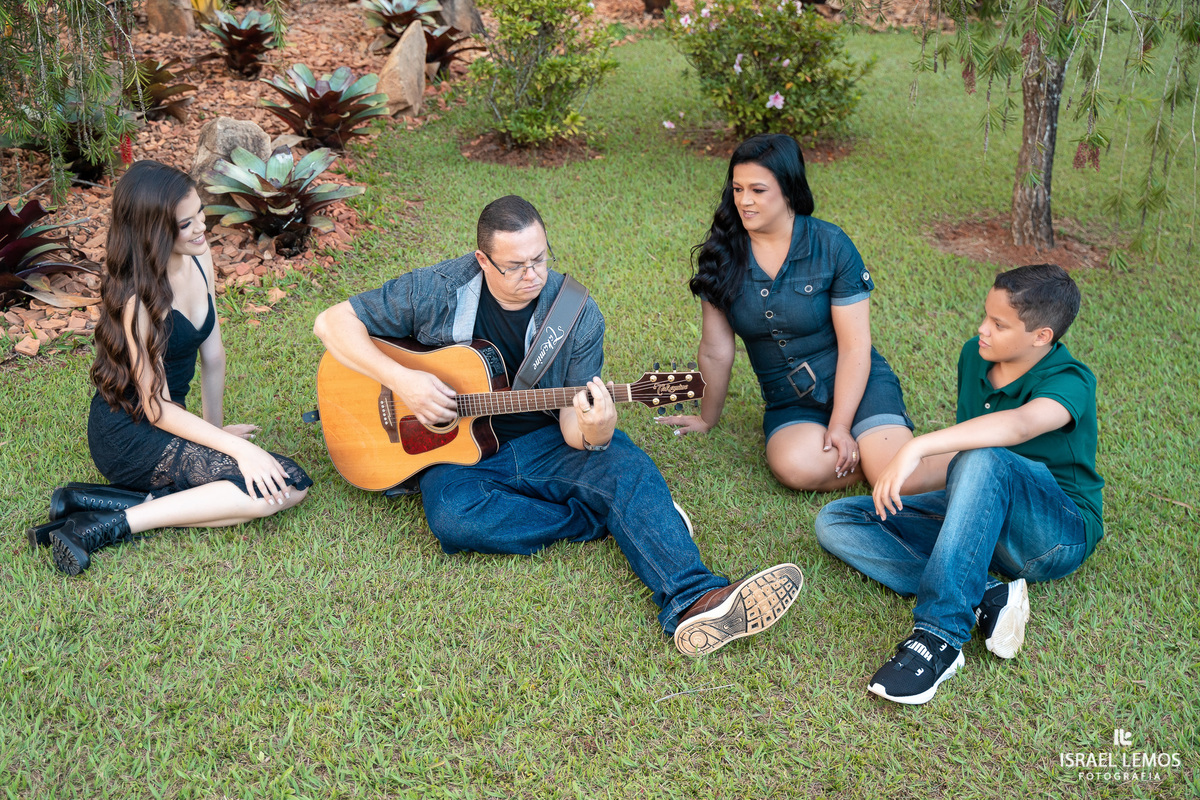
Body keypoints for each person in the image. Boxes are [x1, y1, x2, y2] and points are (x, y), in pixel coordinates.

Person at [312, 195, 802, 656]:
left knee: (623, 467)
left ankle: (698, 600)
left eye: (540, 259)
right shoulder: (439, 288)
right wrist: (404, 380)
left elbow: (575, 430)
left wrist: (598, 428)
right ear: (482, 262)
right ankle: (610, 518)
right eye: (516, 265)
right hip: (462, 455)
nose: (533, 275)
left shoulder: (575, 314)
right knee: (453, 517)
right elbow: (332, 323)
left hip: (545, 440)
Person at [814, 264, 1104, 705]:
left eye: (999, 324)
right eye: (985, 316)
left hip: (1053, 536)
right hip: (981, 513)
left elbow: (1021, 425)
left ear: (1041, 336)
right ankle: (987, 593)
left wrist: (917, 448)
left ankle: (939, 637)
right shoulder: (976, 355)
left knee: (986, 456)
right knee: (839, 519)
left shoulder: (1071, 380)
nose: (982, 330)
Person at [28, 160, 312, 576]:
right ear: (154, 231)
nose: (201, 227)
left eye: (200, 214)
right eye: (186, 224)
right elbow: (154, 407)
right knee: (277, 484)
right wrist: (237, 450)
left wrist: (215, 435)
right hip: (129, 433)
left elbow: (212, 356)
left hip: (170, 420)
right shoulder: (136, 302)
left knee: (283, 487)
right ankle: (107, 526)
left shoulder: (200, 258)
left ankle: (92, 503)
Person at [660, 134, 946, 494]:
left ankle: (952, 456)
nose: (744, 201)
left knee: (904, 483)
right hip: (790, 401)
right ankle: (875, 462)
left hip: (857, 382)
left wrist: (840, 426)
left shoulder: (831, 245)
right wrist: (706, 417)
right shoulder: (722, 256)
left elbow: (856, 345)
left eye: (758, 190)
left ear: (788, 189)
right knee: (795, 467)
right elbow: (716, 350)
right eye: (737, 189)